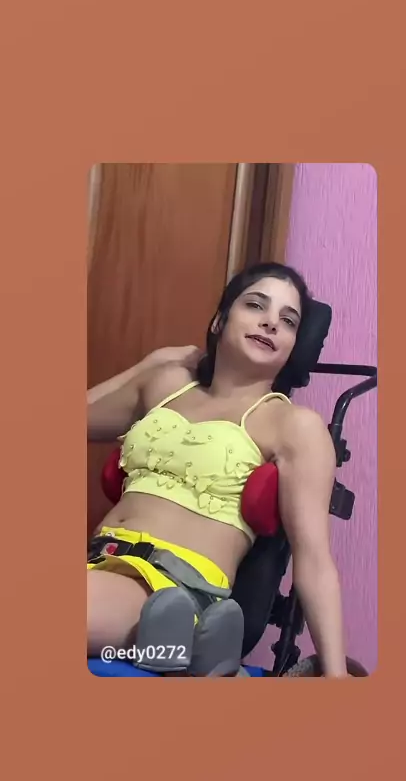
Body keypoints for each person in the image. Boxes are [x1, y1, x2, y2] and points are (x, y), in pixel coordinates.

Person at [87, 262, 348, 677]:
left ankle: (185, 635)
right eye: (255, 305)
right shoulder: (165, 385)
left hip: (176, 591)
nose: (271, 323)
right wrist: (148, 365)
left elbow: (314, 560)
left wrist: (336, 677)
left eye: (288, 320)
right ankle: (179, 651)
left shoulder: (293, 425)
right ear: (219, 320)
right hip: (99, 561)